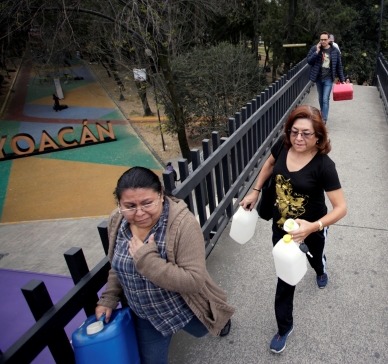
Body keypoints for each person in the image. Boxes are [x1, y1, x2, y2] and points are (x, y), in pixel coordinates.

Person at [95, 167, 234, 364]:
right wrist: (108, 298)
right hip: (145, 314)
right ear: (119, 203)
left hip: (182, 307)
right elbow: (117, 266)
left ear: (160, 195)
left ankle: (223, 320)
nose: (139, 213)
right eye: (130, 206)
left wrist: (147, 261)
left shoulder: (183, 225)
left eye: (147, 203)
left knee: (205, 327)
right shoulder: (117, 221)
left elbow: (194, 281)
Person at [239, 105, 347, 354]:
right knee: (285, 278)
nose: (298, 138)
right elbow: (269, 164)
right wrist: (255, 191)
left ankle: (320, 270)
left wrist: (314, 226)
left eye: (306, 133)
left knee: (315, 259)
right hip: (282, 230)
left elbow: (341, 208)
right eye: (294, 131)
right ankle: (284, 326)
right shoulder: (282, 145)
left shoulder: (324, 166)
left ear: (318, 137)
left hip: (312, 229)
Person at [306, 31, 348, 125]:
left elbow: (339, 66)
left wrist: (342, 80)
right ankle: (322, 114)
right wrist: (316, 52)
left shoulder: (334, 51)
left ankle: (324, 119)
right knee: (321, 98)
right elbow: (309, 61)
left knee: (325, 98)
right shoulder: (315, 49)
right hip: (318, 78)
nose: (323, 41)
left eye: (325, 39)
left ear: (329, 39)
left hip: (328, 78)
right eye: (321, 40)